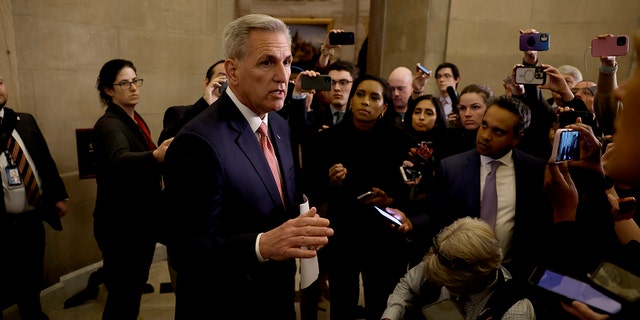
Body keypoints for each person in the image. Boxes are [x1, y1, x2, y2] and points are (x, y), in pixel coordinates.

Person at [162, 14, 334, 320]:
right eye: (267, 62)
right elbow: (186, 252)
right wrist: (261, 245)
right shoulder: (197, 141)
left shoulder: (280, 125)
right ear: (233, 70)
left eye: (287, 61)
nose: (284, 76)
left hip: (277, 299)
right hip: (224, 306)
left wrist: (301, 223)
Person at [311, 74, 418, 320]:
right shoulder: (327, 139)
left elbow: (414, 192)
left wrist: (390, 200)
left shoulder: (402, 142)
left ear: (384, 106)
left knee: (382, 304)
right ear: (351, 101)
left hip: (384, 235)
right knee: (341, 304)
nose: (365, 102)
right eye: (360, 94)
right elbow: (312, 186)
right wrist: (331, 181)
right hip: (342, 232)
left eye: (374, 97)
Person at [438, 95, 552, 284]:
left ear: (516, 138)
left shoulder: (535, 171)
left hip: (515, 279)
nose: (485, 136)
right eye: (484, 125)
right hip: (459, 276)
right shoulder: (451, 168)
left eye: (498, 132)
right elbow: (437, 218)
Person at [92, 59, 172, 320]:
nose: (134, 88)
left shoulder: (134, 119)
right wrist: (155, 157)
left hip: (138, 223)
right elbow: (120, 161)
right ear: (108, 90)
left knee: (131, 294)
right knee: (122, 299)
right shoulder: (109, 124)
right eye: (125, 83)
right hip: (121, 228)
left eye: (135, 81)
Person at [0, 73, 69, 320]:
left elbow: (45, 161)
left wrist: (59, 196)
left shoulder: (24, 121)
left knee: (32, 274)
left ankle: (33, 315)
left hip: (32, 219)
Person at [381, 217, 535, 320]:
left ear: (475, 276)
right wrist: (391, 315)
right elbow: (408, 286)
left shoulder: (515, 311)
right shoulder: (442, 261)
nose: (440, 284)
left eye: (448, 283)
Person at [157, 59, 227, 144]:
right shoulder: (177, 113)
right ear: (207, 83)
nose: (227, 85)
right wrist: (205, 103)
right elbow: (165, 144)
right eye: (222, 78)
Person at [441, 83, 493, 158]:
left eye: (475, 107)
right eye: (462, 108)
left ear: (489, 108)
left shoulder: (498, 139)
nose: (467, 114)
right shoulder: (448, 141)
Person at [434, 62, 461, 127]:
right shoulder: (433, 103)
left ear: (456, 79)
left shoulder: (461, 103)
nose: (441, 79)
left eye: (446, 76)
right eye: (439, 76)